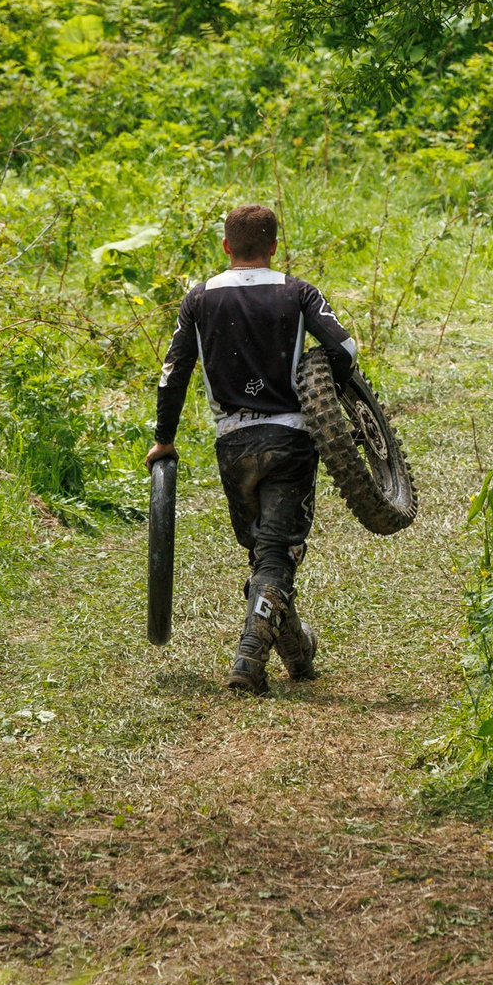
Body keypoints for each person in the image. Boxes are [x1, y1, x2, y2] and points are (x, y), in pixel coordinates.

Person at [146, 203, 361, 694]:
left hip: (232, 443)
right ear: (274, 247)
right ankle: (247, 657)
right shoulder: (298, 291)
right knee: (276, 556)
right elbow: (344, 351)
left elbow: (173, 373)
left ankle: (299, 655)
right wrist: (331, 397)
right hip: (290, 438)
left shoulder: (198, 298)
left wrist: (164, 438)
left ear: (226, 246)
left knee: (265, 556)